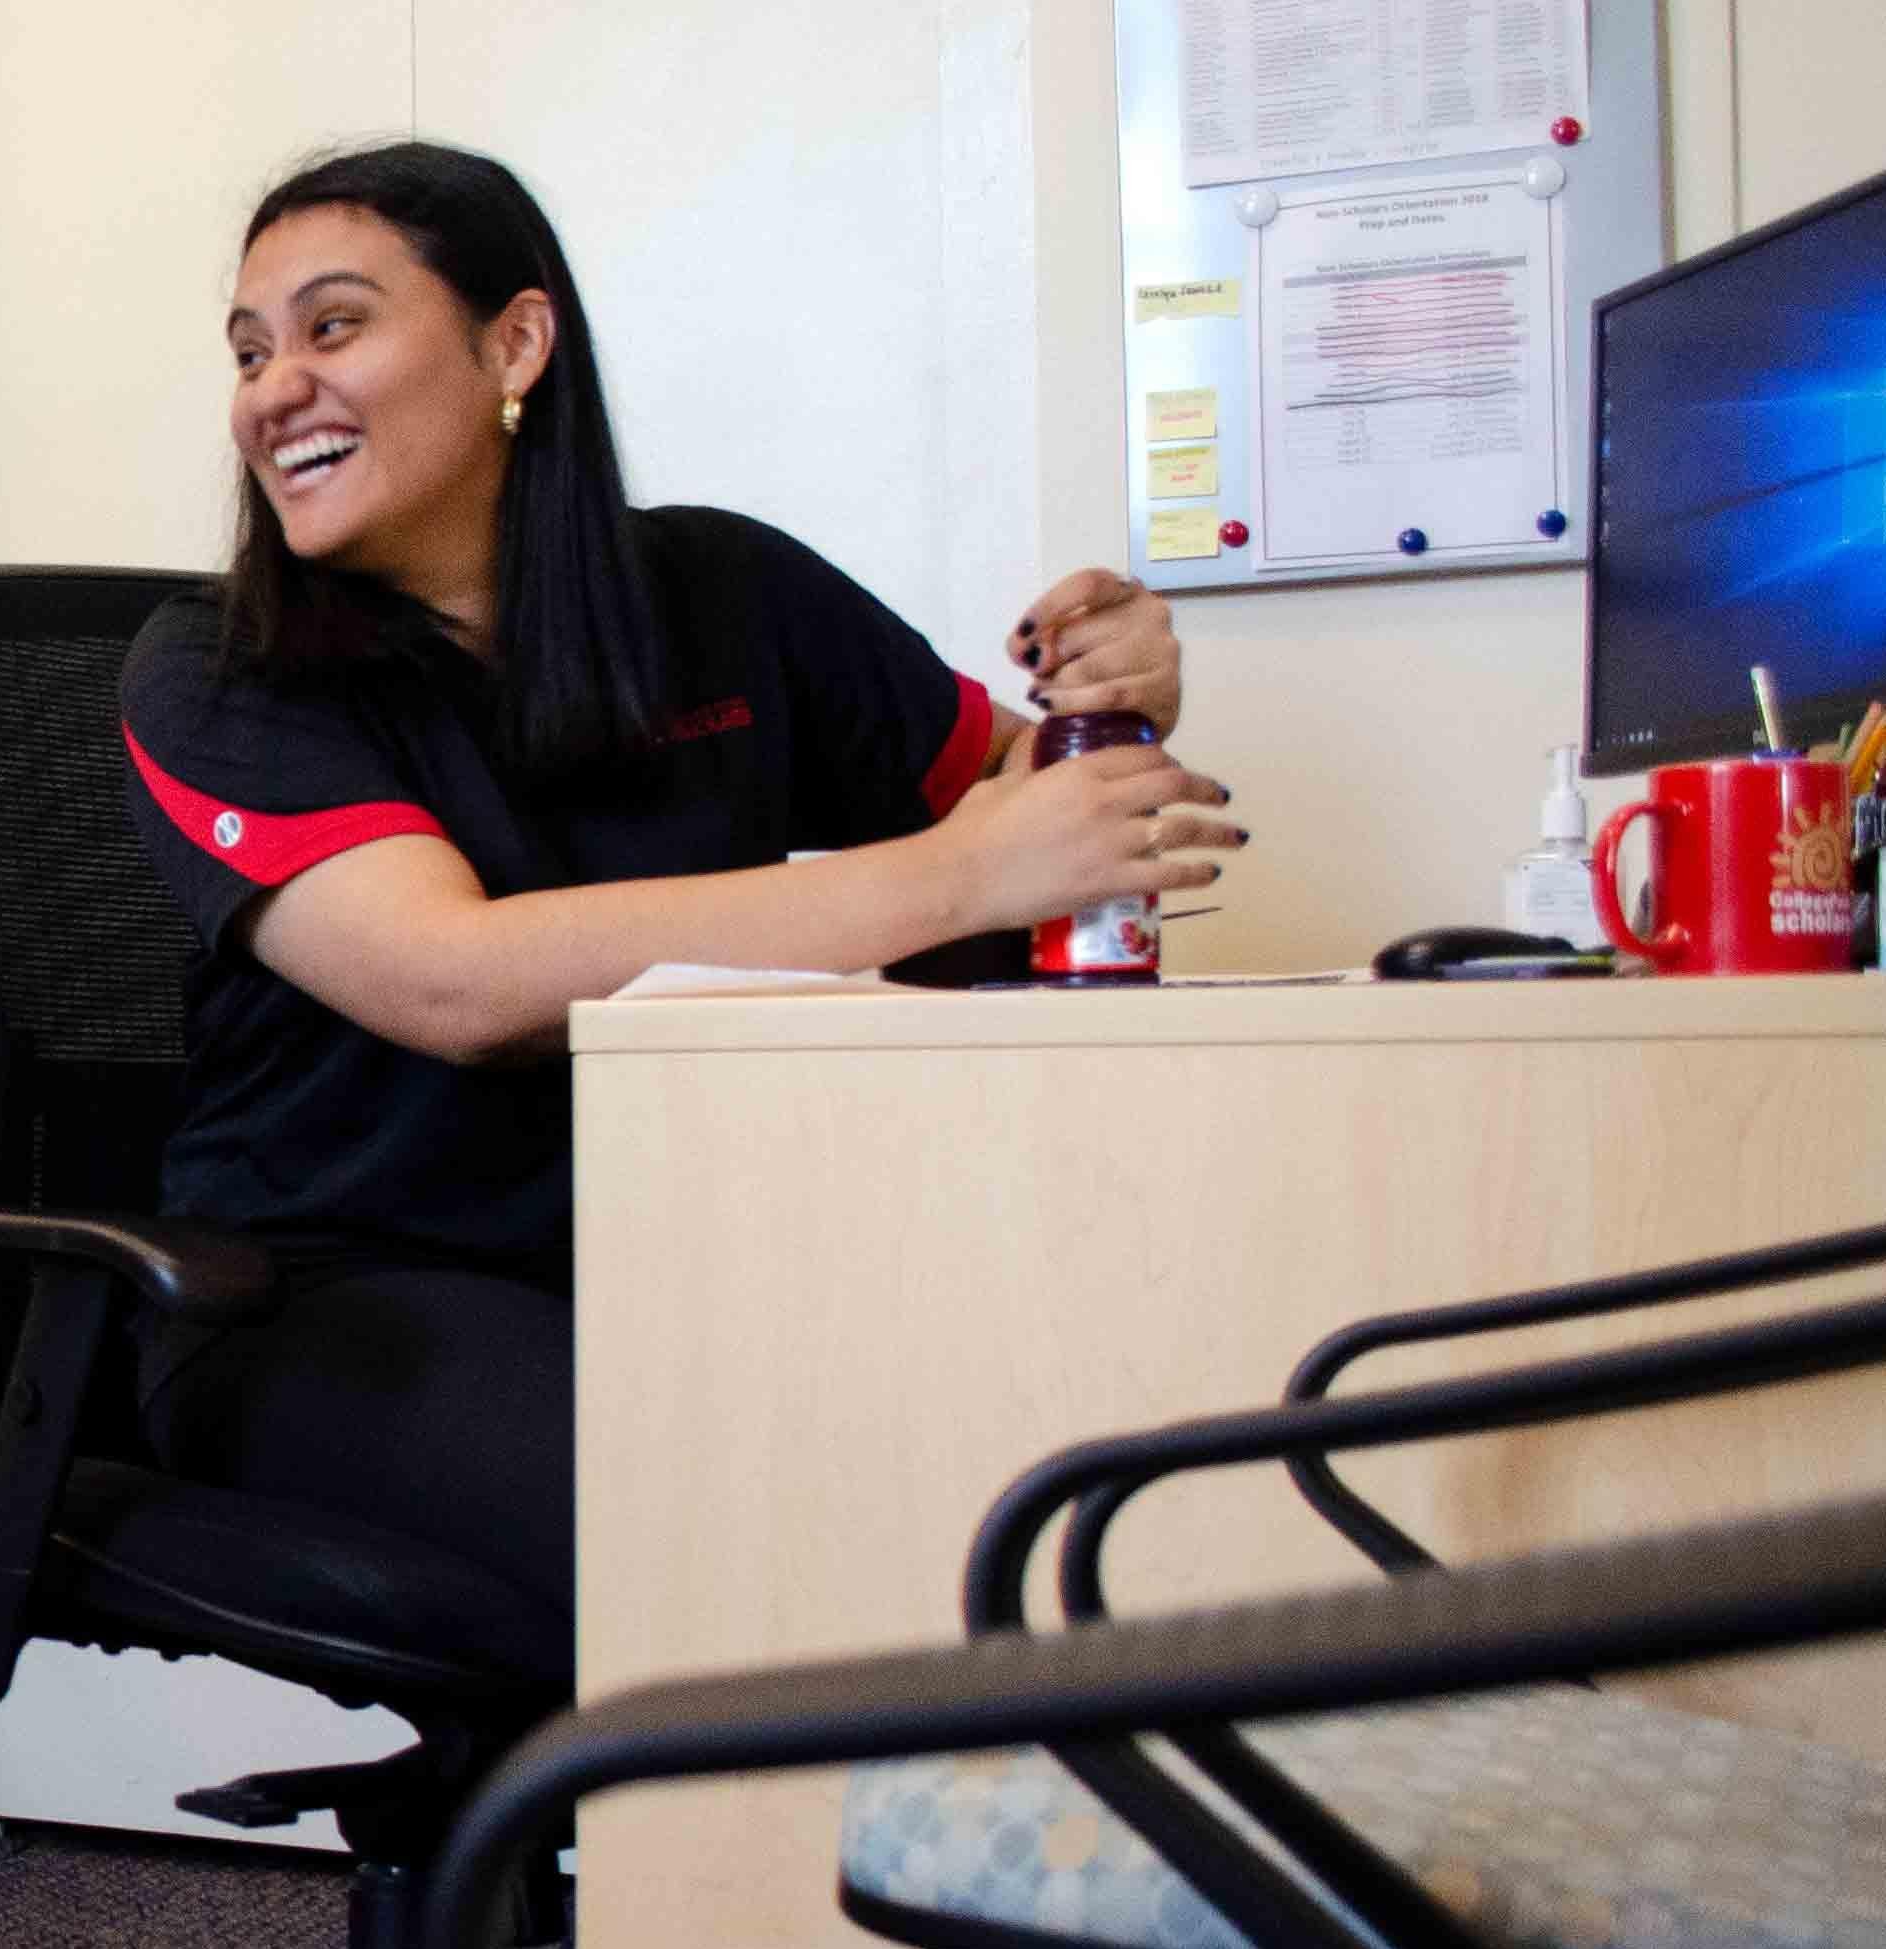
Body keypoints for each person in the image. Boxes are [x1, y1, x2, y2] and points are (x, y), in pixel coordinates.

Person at [121, 142, 1234, 1685]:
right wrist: (969, 870)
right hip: (324, 1300)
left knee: (1051, 1462)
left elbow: (1026, 799)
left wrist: (1107, 706)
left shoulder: (724, 594)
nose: (271, 390)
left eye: (331, 328)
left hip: (692, 1254)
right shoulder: (213, 674)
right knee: (743, 1548)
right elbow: (452, 983)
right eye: (249, 353)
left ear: (514, 343)